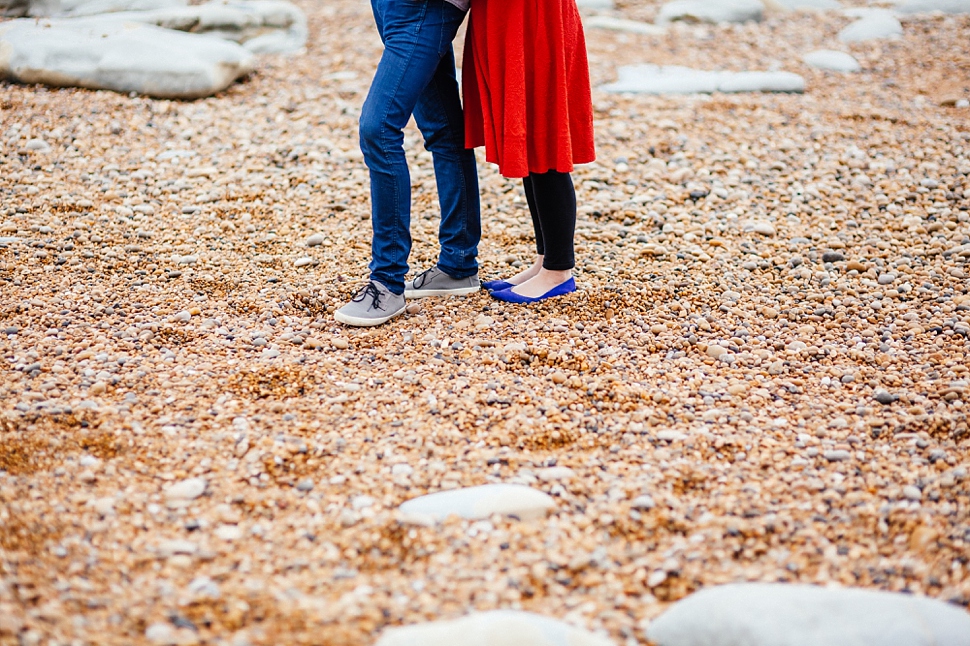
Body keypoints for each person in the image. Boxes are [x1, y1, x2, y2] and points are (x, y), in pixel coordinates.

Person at [335, 0, 482, 327]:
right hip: (393, 7)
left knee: (379, 127)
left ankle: (386, 282)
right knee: (443, 128)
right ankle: (458, 264)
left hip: (426, 7)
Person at [463, 0, 595, 303]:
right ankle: (545, 260)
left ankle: (559, 270)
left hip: (532, 15)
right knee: (529, 140)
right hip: (510, 15)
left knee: (542, 131)